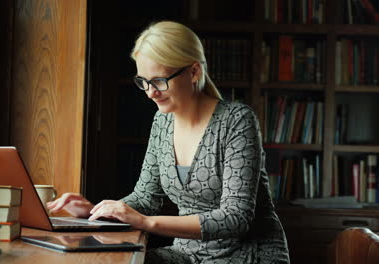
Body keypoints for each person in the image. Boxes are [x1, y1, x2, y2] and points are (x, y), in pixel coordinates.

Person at [47, 21, 290, 264]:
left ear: (194, 72)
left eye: (159, 81)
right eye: (143, 81)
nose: (150, 92)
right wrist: (97, 212)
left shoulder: (237, 120)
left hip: (249, 256)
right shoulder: (162, 123)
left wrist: (146, 223)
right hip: (188, 254)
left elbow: (235, 219)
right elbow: (145, 199)